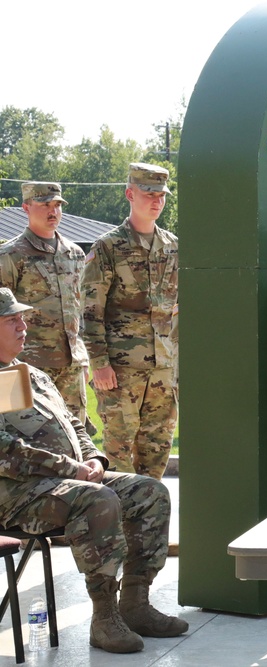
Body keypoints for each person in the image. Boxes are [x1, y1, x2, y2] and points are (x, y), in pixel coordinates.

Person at [0, 288, 187, 653]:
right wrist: (72, 469)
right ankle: (104, 617)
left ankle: (135, 603)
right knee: (97, 500)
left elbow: (75, 424)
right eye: (11, 321)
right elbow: (6, 451)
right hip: (16, 495)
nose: (23, 326)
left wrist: (95, 460)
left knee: (150, 492)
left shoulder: (31, 374)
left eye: (21, 318)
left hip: (66, 482)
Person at [82, 163, 178, 479]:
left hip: (164, 371)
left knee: (156, 455)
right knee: (118, 460)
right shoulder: (108, 247)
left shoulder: (174, 247)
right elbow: (90, 312)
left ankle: (147, 526)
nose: (156, 200)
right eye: (148, 193)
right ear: (130, 194)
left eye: (161, 194)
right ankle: (116, 525)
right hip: (121, 371)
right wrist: (100, 364)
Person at [0, 182, 89, 425]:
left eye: (57, 205)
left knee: (75, 435)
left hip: (71, 366)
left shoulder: (74, 253)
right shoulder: (10, 255)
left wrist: (84, 358)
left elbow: (79, 309)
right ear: (26, 208)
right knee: (26, 437)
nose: (53, 211)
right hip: (27, 365)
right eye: (45, 204)